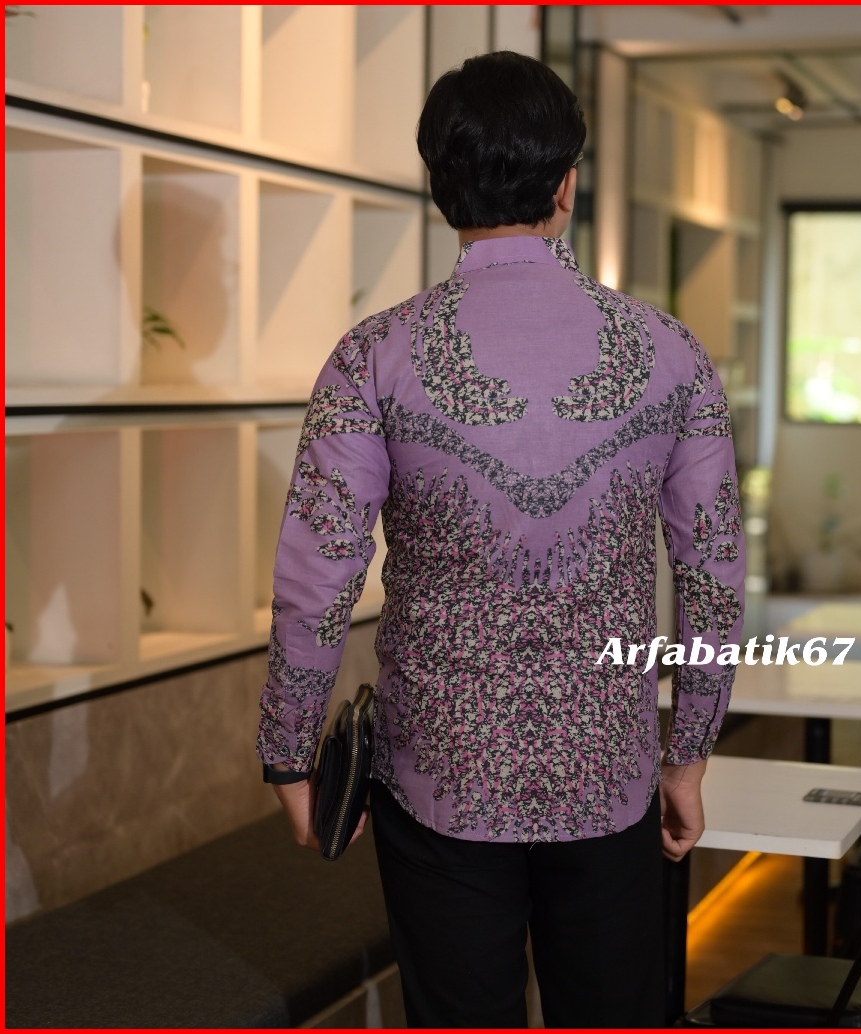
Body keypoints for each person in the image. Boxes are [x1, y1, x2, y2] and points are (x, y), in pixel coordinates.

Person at [257, 51, 745, 1029]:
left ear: (441, 186)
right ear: (566, 184)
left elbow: (317, 582)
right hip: (606, 774)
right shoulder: (671, 354)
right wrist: (687, 754)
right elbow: (713, 575)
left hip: (436, 772)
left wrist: (288, 752)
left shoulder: (371, 355)